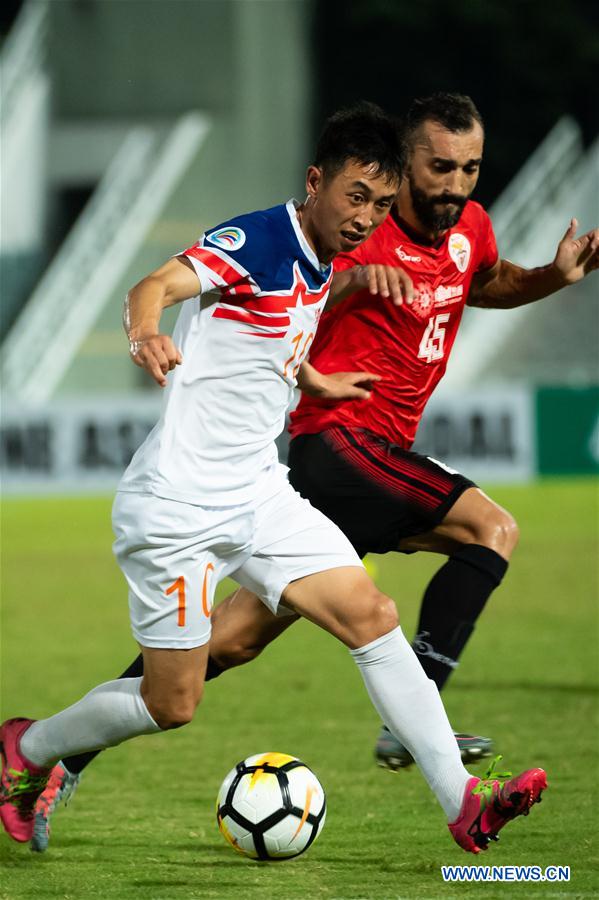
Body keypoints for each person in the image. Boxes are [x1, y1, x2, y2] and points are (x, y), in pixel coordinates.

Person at [28, 90, 598, 852]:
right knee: (174, 703)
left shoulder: (333, 258)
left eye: (378, 202)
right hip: (181, 504)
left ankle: (464, 801)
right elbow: (154, 286)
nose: (365, 216)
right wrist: (145, 334)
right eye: (355, 196)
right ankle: (28, 750)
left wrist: (314, 379)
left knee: (358, 619)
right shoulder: (260, 237)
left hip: (259, 493)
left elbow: (276, 340)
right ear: (314, 181)